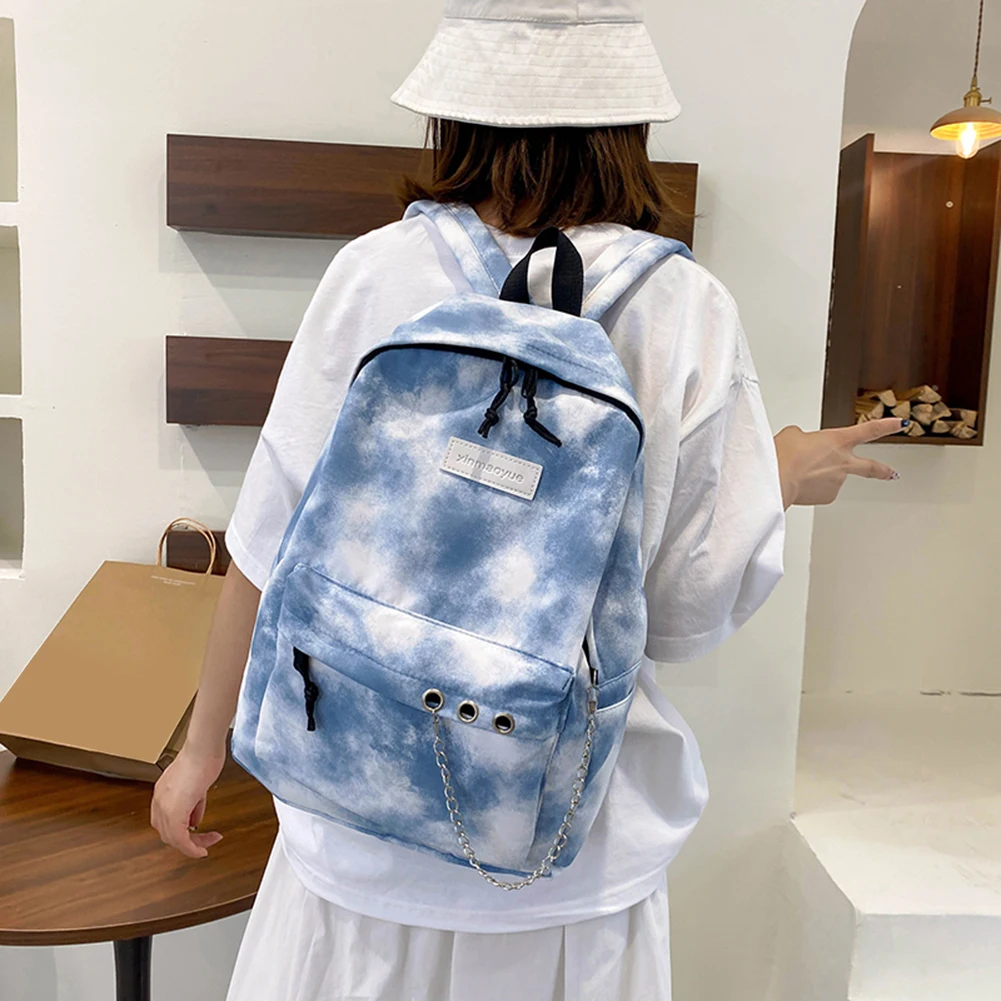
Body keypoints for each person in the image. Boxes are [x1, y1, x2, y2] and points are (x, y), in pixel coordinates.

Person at [151, 2, 903, 998]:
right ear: (626, 121)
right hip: (566, 852)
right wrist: (778, 476)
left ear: (454, 113)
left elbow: (267, 545)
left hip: (358, 816)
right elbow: (678, 612)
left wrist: (201, 748)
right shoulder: (685, 308)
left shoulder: (374, 273)